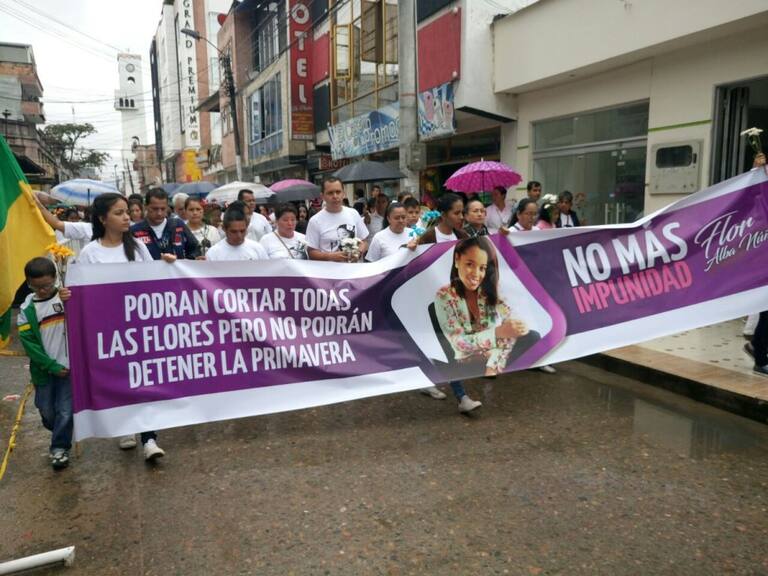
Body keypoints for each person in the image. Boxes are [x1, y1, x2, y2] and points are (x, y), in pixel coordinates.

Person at [78, 193, 168, 460]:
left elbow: (153, 280)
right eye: (119, 213)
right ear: (102, 219)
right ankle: (125, 426)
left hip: (139, 326)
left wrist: (168, 266)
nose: (127, 217)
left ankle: (149, 439)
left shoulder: (137, 247)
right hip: (109, 330)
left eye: (127, 211)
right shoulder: (90, 252)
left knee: (144, 380)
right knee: (119, 380)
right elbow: (83, 292)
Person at [434, 237, 540, 381]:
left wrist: (518, 327)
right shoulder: (444, 295)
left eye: (482, 268)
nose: (476, 274)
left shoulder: (490, 289)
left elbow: (511, 320)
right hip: (468, 360)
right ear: (457, 260)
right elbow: (460, 344)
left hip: (496, 350)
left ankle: (497, 366)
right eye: (470, 264)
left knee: (532, 336)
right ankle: (497, 367)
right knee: (507, 338)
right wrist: (497, 333)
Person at [411, 193, 476, 405]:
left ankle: (427, 377)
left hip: (459, 301)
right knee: (448, 347)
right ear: (443, 214)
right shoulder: (428, 237)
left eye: (462, 212)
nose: (461, 217)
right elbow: (409, 261)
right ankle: (462, 396)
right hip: (435, 303)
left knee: (452, 346)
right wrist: (410, 248)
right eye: (456, 213)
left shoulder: (463, 236)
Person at [17, 258, 74, 469]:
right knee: (47, 411)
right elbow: (30, 345)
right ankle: (61, 428)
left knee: (65, 410)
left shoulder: (66, 297)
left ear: (55, 279)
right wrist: (51, 366)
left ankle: (59, 448)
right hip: (44, 370)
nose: (43, 290)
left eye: (48, 286)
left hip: (68, 368)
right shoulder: (27, 310)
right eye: (37, 287)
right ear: (28, 283)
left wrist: (71, 301)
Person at [508, 198, 558, 374]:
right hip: (517, 287)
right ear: (519, 214)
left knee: (542, 320)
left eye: (534, 214)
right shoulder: (510, 233)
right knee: (521, 324)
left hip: (537, 284)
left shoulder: (538, 232)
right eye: (528, 213)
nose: (531, 217)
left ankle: (540, 359)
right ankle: (517, 358)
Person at [306, 176, 369, 262]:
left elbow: (364, 241)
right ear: (322, 196)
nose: (335, 196)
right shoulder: (315, 221)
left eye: (338, 192)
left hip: (354, 269)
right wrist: (330, 256)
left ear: (343, 193)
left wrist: (358, 252)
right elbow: (311, 252)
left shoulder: (353, 213)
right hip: (328, 270)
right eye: (330, 193)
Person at [131, 188, 200, 260]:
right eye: (155, 209)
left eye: (163, 209)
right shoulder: (134, 231)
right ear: (146, 207)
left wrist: (188, 260)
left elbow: (195, 249)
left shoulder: (178, 225)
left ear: (167, 207)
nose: (159, 213)